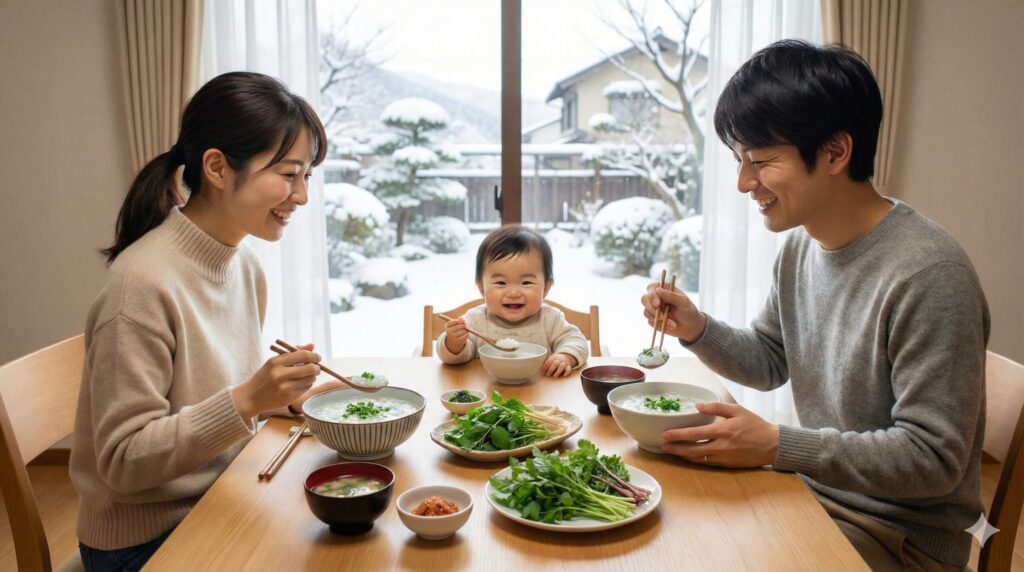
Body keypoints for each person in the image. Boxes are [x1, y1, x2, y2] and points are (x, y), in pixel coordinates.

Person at [641, 40, 989, 571]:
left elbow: (933, 459)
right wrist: (697, 328)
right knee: (674, 528)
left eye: (760, 161)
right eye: (739, 160)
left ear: (834, 152)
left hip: (901, 540)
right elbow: (770, 359)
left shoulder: (928, 274)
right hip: (819, 497)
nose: (742, 183)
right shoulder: (802, 246)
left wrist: (779, 445)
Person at [70, 71, 347, 572]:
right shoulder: (140, 286)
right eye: (288, 174)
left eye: (307, 175)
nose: (301, 195)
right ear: (217, 168)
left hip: (221, 493)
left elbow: (209, 393)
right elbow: (122, 461)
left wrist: (279, 397)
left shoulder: (241, 264)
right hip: (144, 540)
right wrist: (246, 400)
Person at [438, 225, 589, 376]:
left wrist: (566, 356)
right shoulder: (475, 321)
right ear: (481, 287)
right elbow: (452, 358)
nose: (513, 292)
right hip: (488, 392)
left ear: (546, 288)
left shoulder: (550, 319)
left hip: (540, 394)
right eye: (501, 283)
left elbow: (577, 342)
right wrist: (454, 343)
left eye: (526, 283)